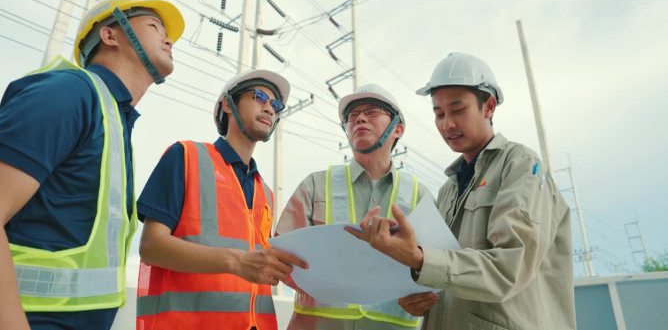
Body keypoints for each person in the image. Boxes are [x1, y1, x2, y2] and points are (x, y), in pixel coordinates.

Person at [0, 0, 185, 330]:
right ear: (110, 35)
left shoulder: (115, 120)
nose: (168, 39)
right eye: (154, 27)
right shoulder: (69, 92)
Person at [348, 52, 575, 330]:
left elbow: (510, 269)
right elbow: (446, 274)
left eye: (458, 110)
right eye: (439, 113)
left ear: (489, 106)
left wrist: (420, 258)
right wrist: (416, 291)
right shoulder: (448, 190)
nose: (447, 124)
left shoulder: (520, 166)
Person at [136, 69, 308, 330]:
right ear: (228, 104)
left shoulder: (266, 194)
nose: (269, 108)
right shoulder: (185, 156)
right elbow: (150, 246)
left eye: (276, 104)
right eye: (259, 96)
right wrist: (235, 261)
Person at [277, 83, 434, 330]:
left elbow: (437, 269)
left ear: (398, 129)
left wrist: (426, 297)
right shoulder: (315, 185)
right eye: (352, 116)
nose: (359, 118)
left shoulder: (419, 196)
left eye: (372, 111)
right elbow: (279, 258)